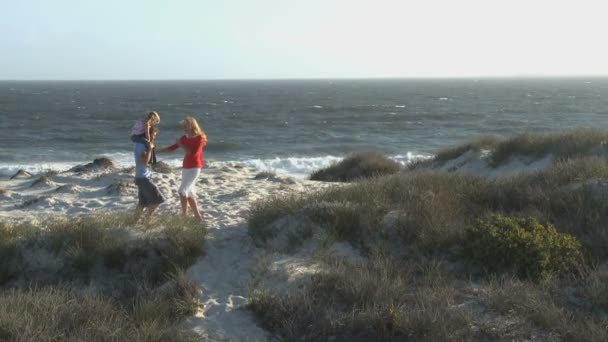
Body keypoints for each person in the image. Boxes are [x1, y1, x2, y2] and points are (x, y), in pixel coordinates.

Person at [158, 116, 207, 221]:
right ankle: (198, 218)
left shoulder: (200, 138)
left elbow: (192, 153)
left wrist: (181, 145)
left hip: (195, 167)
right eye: (183, 126)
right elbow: (172, 148)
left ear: (191, 125)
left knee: (181, 191)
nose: (183, 128)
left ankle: (184, 216)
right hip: (186, 167)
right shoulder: (184, 138)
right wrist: (155, 151)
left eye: (185, 126)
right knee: (188, 193)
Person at [133, 126, 165, 223]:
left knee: (142, 203)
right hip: (143, 178)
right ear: (147, 134)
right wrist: (150, 149)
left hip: (140, 176)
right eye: (153, 135)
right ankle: (147, 219)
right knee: (159, 199)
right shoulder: (142, 146)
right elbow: (144, 161)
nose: (154, 138)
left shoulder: (139, 144)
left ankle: (132, 222)